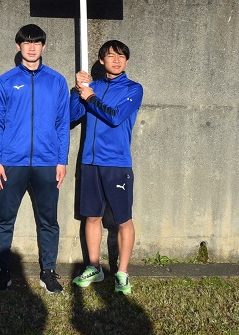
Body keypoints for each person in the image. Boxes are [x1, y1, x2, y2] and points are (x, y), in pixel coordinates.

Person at [0, 24, 70, 294]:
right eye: (27, 42)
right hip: (12, 162)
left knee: (49, 220)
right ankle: (3, 272)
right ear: (18, 46)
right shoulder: (5, 81)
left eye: (37, 42)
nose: (32, 47)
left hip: (47, 162)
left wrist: (61, 160)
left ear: (43, 46)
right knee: (4, 219)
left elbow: (62, 123)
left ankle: (48, 272)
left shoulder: (56, 81)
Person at [70, 40, 143, 296]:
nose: (117, 60)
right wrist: (77, 90)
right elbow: (71, 116)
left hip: (116, 163)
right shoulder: (94, 86)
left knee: (123, 220)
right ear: (101, 60)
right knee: (92, 217)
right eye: (111, 56)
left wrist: (90, 97)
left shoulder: (133, 88)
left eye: (121, 56)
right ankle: (94, 267)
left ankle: (122, 272)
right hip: (90, 162)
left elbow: (114, 117)